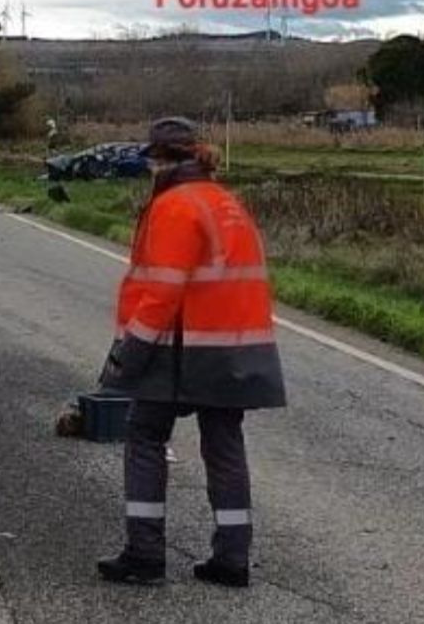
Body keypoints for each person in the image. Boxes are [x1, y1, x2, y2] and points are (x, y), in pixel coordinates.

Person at [95, 117, 286, 589]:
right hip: (238, 351)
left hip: (184, 349)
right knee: (224, 445)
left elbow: (162, 290)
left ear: (158, 160)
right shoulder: (226, 202)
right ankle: (233, 559)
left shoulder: (173, 206)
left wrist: (128, 352)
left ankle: (144, 554)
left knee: (144, 436)